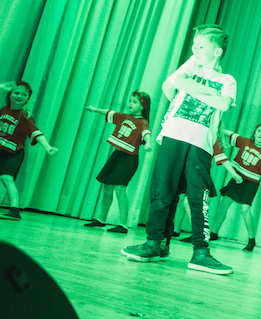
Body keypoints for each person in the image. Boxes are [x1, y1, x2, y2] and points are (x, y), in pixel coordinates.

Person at [121, 24, 237, 275]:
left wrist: (191, 88)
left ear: (217, 51)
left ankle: (201, 253)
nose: (195, 50)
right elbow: (170, 86)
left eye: (201, 47)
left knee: (197, 197)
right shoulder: (192, 65)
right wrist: (208, 92)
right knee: (163, 191)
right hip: (173, 135)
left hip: (200, 144)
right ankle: (155, 244)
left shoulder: (227, 80)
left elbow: (223, 104)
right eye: (194, 46)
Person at [83, 92, 153, 233]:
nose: (130, 104)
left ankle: (123, 224)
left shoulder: (142, 122)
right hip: (117, 156)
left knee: (120, 189)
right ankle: (101, 219)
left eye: (134, 102)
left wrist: (148, 144)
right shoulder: (124, 117)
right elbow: (110, 113)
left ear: (143, 106)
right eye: (130, 100)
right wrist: (95, 109)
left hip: (129, 159)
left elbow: (146, 133)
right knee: (107, 187)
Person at [208, 123, 261, 251]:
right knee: (223, 205)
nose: (260, 134)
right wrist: (218, 128)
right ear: (254, 132)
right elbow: (232, 135)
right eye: (259, 131)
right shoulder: (246, 142)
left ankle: (252, 240)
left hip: (251, 183)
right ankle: (214, 233)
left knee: (245, 210)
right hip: (237, 179)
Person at [0, 81, 58, 220]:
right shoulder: (4, 109)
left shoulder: (25, 116)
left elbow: (36, 132)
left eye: (24, 94)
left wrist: (48, 147)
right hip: (1, 149)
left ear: (27, 98)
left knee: (6, 178)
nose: (19, 96)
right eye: (16, 93)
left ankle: (14, 210)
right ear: (10, 95)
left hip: (14, 153)